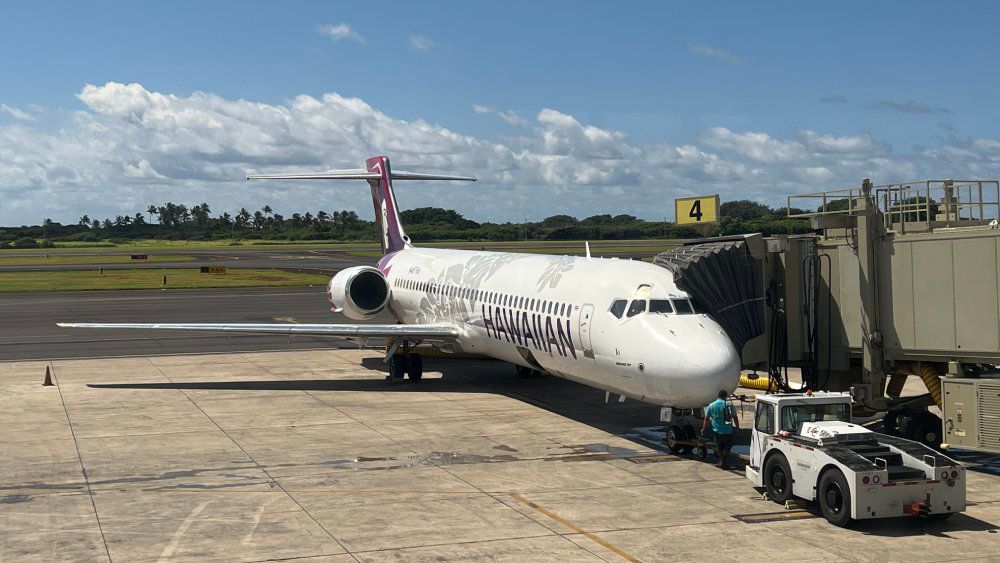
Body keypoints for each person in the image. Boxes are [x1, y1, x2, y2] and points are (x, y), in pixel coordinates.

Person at [701, 390, 739, 469]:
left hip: (717, 430)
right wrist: (737, 427)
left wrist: (703, 429)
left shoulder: (712, 405)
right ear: (725, 396)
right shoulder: (729, 404)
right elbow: (735, 416)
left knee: (719, 446)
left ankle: (721, 461)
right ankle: (724, 461)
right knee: (727, 446)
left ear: (718, 396)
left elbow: (707, 418)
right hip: (728, 430)